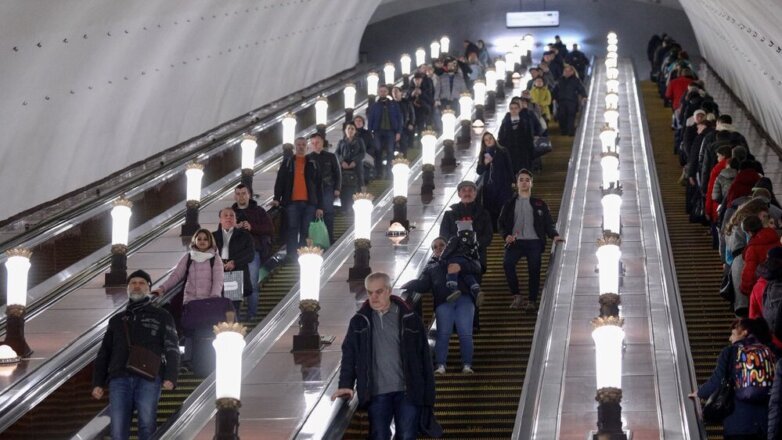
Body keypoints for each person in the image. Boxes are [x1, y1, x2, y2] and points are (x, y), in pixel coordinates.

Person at [332, 272, 439, 440]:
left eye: (379, 291)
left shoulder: (410, 319)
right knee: (379, 436)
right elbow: (349, 354)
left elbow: (424, 358)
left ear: (389, 291)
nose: (373, 297)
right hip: (376, 393)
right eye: (369, 292)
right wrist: (345, 384)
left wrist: (429, 394)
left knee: (407, 435)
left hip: (407, 391)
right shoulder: (359, 321)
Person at [92, 270, 180, 440]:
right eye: (133, 283)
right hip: (119, 378)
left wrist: (171, 376)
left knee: (147, 425)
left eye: (141, 283)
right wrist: (98, 382)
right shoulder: (117, 320)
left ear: (149, 288)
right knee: (118, 430)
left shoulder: (162, 316)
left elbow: (172, 347)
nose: (137, 286)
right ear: (127, 288)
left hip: (148, 377)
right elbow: (105, 352)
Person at [402, 238, 477, 375]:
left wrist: (461, 267)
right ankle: (441, 365)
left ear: (448, 246)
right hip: (443, 302)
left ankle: (467, 365)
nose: (438, 248)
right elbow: (423, 285)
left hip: (464, 299)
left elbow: (477, 267)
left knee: (465, 333)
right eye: (434, 247)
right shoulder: (431, 267)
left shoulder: (460, 259)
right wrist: (408, 284)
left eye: (441, 245)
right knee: (443, 334)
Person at [692, 318, 775, 439]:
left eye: (733, 334)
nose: (730, 338)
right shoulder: (769, 352)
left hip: (738, 423)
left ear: (744, 332)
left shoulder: (730, 352)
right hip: (765, 423)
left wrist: (699, 392)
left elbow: (717, 381)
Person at [499, 170, 563, 311]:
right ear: (516, 184)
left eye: (527, 180)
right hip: (515, 242)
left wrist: (554, 235)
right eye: (521, 179)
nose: (524, 182)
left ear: (531, 183)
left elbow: (548, 223)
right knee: (507, 263)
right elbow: (501, 223)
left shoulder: (539, 203)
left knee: (534, 270)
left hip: (534, 242)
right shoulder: (509, 203)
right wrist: (506, 236)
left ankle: (532, 301)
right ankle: (517, 295)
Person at [272, 137, 323, 257]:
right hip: (291, 203)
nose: (301, 147)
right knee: (292, 229)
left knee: (305, 230)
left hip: (309, 203)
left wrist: (320, 206)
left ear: (307, 147)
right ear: (295, 146)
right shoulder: (288, 162)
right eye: (299, 144)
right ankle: (292, 256)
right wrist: (276, 198)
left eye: (303, 145)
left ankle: (303, 255)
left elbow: (319, 186)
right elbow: (280, 182)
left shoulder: (313, 163)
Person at [232, 183, 274, 319]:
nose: (241, 197)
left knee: (252, 284)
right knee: (234, 286)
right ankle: (234, 318)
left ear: (249, 195)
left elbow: (269, 228)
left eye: (244, 193)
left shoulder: (258, 211)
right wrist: (234, 227)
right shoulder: (230, 213)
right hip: (234, 253)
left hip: (253, 252)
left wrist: (252, 227)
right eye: (238, 194)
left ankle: (252, 315)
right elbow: (221, 231)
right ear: (234, 196)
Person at [439, 180, 494, 272]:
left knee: (475, 284)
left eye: (470, 190)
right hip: (453, 257)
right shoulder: (449, 215)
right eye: (464, 190)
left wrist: (473, 245)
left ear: (475, 194)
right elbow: (444, 235)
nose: (467, 193)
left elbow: (488, 235)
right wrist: (457, 246)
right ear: (459, 194)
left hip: (476, 257)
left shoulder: (484, 213)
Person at [213, 208, 255, 313]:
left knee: (233, 308)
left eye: (232, 215)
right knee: (217, 307)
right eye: (225, 215)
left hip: (235, 274)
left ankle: (234, 328)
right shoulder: (212, 237)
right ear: (220, 220)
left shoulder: (245, 236)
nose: (228, 217)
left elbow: (250, 254)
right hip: (217, 275)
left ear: (236, 219)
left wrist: (234, 262)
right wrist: (219, 263)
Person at [307, 132, 340, 244]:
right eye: (313, 143)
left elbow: (337, 173)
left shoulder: (330, 156)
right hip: (312, 190)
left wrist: (337, 188)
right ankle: (315, 241)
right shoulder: (308, 158)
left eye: (318, 142)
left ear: (322, 143)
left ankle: (329, 238)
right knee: (313, 214)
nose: (315, 145)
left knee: (328, 213)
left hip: (327, 188)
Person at [476, 132, 514, 229]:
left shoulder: (503, 151)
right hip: (490, 187)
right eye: (486, 140)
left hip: (503, 184)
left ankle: (505, 229)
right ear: (484, 143)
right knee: (491, 209)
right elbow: (479, 171)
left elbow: (509, 167)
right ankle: (493, 229)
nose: (489, 141)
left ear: (494, 139)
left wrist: (512, 182)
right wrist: (485, 163)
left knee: (505, 207)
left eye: (490, 138)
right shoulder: (483, 154)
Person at [366, 84, 403, 178]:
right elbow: (370, 119)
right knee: (378, 151)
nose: (383, 93)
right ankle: (379, 171)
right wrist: (370, 132)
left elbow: (399, 118)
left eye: (384, 91)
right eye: (381, 91)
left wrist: (398, 132)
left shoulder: (393, 104)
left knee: (390, 151)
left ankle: (389, 171)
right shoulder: (374, 106)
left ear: (387, 92)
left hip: (391, 131)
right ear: (378, 92)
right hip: (378, 131)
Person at [498, 99, 541, 174]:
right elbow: (501, 136)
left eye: (515, 108)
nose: (513, 110)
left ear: (519, 109)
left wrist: (531, 150)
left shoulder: (525, 120)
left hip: (523, 151)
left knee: (524, 171)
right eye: (511, 108)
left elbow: (529, 135)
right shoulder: (505, 122)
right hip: (510, 151)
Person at [335, 122, 366, 212]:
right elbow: (337, 153)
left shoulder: (359, 140)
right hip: (343, 167)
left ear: (355, 131)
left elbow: (362, 153)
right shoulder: (341, 142)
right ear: (345, 130)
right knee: (343, 186)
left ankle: (360, 203)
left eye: (352, 129)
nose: (350, 130)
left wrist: (355, 161)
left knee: (359, 183)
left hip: (356, 167)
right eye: (348, 128)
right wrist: (342, 161)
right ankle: (344, 207)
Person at [552, 65, 587, 136]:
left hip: (572, 101)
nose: (567, 72)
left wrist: (584, 96)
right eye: (565, 71)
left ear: (572, 72)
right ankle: (563, 131)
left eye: (568, 71)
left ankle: (571, 131)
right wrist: (553, 98)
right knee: (561, 116)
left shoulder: (576, 80)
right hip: (561, 101)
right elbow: (555, 90)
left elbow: (581, 89)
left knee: (571, 116)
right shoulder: (560, 80)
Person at [392, 86, 416, 156]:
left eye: (396, 92)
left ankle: (404, 159)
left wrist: (411, 123)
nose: (395, 94)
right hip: (393, 128)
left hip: (404, 127)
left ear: (401, 93)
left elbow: (412, 113)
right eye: (393, 92)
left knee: (403, 144)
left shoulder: (406, 102)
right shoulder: (390, 104)